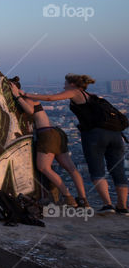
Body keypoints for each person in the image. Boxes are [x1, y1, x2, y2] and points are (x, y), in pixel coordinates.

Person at [21, 74, 128, 215]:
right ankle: (122, 206)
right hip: (115, 135)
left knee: (97, 171)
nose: (63, 86)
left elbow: (50, 98)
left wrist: (24, 94)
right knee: (118, 171)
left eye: (65, 83)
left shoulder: (74, 92)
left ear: (72, 84)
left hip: (95, 135)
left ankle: (108, 205)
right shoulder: (92, 96)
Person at [7, 78, 88, 208]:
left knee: (43, 167)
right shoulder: (29, 97)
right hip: (57, 133)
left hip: (47, 134)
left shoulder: (26, 98)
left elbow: (30, 111)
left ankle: (68, 197)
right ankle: (83, 200)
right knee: (71, 168)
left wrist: (17, 95)